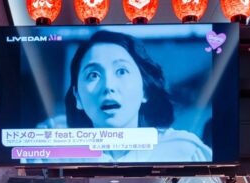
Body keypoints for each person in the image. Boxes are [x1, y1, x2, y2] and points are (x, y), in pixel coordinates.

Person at [62, 30, 211, 164]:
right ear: (78, 97)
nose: (108, 86)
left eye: (121, 71)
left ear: (145, 91)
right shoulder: (56, 156)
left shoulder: (184, 151)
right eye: (93, 75)